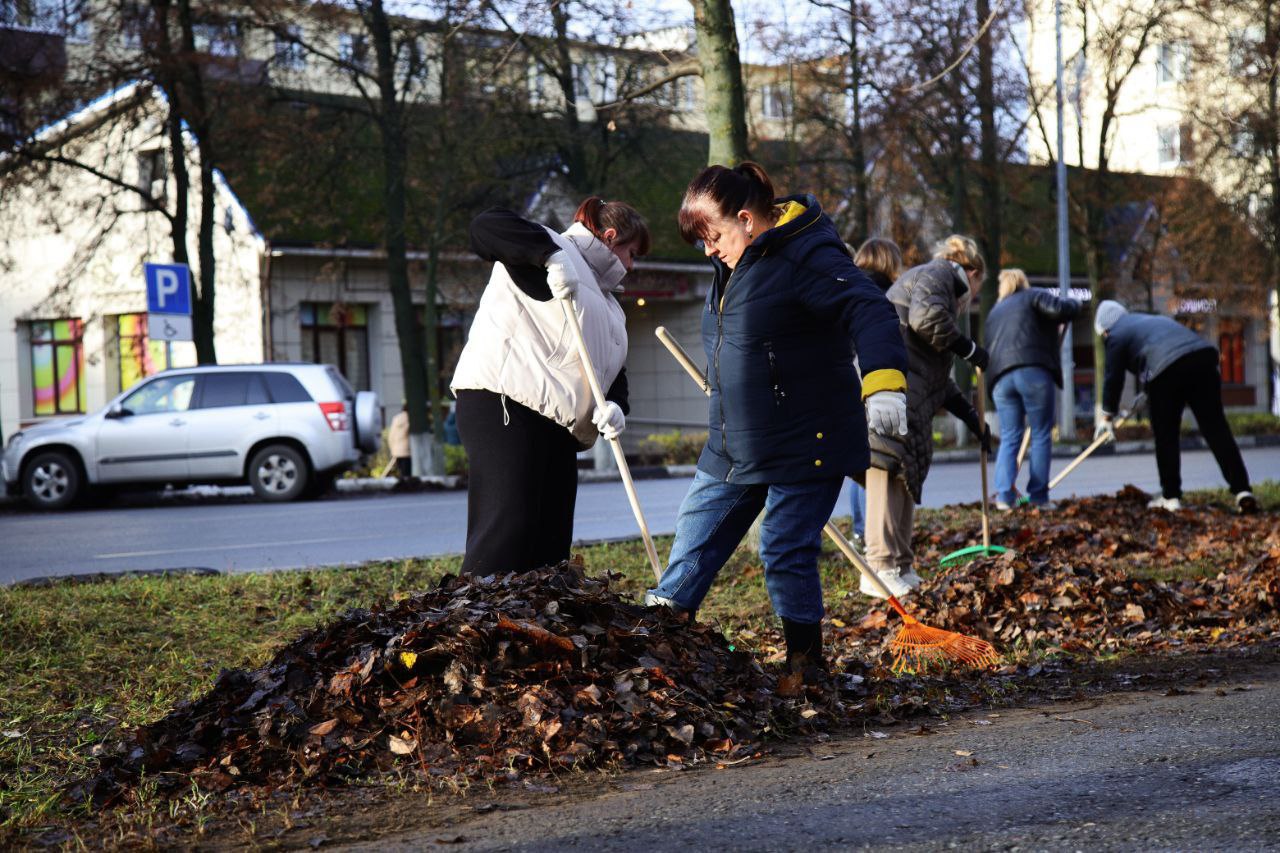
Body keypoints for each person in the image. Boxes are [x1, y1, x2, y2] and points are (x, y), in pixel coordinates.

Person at [644, 162, 909, 675]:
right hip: (734, 439)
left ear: (746, 218)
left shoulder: (806, 253)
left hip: (806, 435)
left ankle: (805, 667)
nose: (708, 250)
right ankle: (657, 648)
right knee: (694, 540)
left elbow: (869, 308)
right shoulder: (731, 263)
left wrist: (883, 382)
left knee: (784, 548)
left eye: (713, 236)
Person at [450, 198, 651, 574]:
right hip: (506, 404)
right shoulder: (552, 246)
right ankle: (472, 623)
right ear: (610, 237)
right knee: (508, 531)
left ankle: (533, 627)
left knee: (551, 542)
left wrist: (616, 405)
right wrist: (546, 255)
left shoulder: (610, 306)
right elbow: (485, 224)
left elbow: (612, 370)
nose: (631, 266)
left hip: (558, 426)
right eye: (630, 252)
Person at [866, 235, 992, 598]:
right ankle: (879, 567)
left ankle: (901, 565)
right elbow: (925, 319)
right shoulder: (938, 275)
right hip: (889, 387)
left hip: (911, 394)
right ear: (972, 271)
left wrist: (973, 421)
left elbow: (939, 381)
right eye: (977, 287)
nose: (972, 298)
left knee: (904, 479)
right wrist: (968, 347)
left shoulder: (940, 289)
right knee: (886, 476)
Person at [1093, 300, 1257, 513]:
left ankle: (1171, 496)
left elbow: (1113, 378)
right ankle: (1242, 490)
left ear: (1105, 330)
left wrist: (1107, 416)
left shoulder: (1115, 335)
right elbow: (1166, 349)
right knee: (1216, 429)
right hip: (1202, 360)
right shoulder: (1152, 319)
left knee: (1166, 434)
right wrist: (1147, 389)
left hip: (1167, 371)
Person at [983, 268, 1081, 510]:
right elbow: (1060, 309)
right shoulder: (1033, 295)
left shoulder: (994, 312)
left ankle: (1004, 497)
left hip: (1000, 379)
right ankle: (1038, 497)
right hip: (1033, 371)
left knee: (1010, 436)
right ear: (1023, 282)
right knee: (1040, 434)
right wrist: (1074, 304)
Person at [846, 237, 903, 544]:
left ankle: (859, 528)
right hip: (873, 375)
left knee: (859, 453)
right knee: (875, 455)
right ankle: (872, 530)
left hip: (846, 374)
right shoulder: (885, 294)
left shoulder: (846, 283)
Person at [387, 402, 412, 477]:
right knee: (407, 474)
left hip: (396, 451)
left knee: (401, 473)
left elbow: (391, 436)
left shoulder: (396, 418)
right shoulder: (410, 418)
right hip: (407, 452)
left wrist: (392, 450)